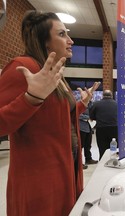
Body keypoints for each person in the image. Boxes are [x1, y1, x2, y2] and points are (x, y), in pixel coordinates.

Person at [0, 11, 100, 216]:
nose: (70, 41)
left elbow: (55, 115)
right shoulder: (24, 67)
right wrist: (31, 97)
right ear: (45, 42)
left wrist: (82, 104)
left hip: (66, 170)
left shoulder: (54, 74)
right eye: (62, 34)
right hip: (41, 182)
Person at [89, 90, 118, 160]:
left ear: (102, 95)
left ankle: (102, 161)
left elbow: (91, 117)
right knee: (114, 147)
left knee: (102, 147)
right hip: (114, 128)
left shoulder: (96, 104)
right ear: (111, 96)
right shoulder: (117, 104)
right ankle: (114, 160)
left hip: (101, 128)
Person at [79, 103, 98, 169]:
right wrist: (88, 117)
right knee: (80, 146)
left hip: (89, 127)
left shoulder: (91, 104)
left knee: (88, 145)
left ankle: (88, 159)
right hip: (81, 128)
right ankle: (79, 163)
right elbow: (78, 114)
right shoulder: (79, 104)